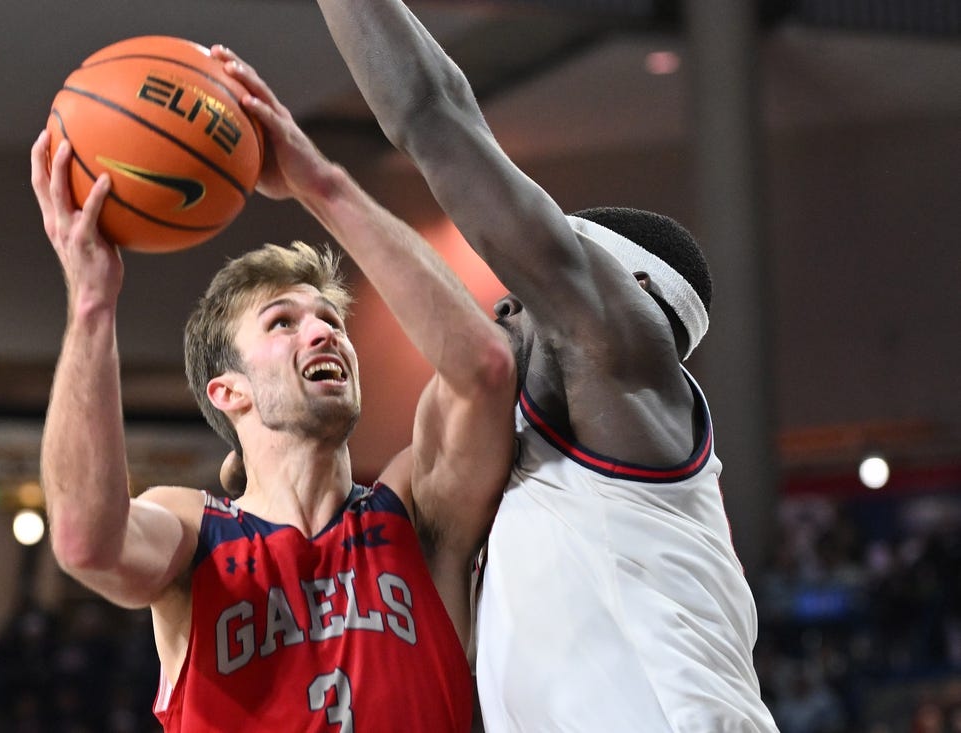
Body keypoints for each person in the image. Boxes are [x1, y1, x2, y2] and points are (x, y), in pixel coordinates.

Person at [313, 2, 780, 730]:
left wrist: (316, 180)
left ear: (631, 297)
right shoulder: (533, 473)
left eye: (527, 291)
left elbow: (433, 114)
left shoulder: (621, 358)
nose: (503, 307)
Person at [30, 45, 515, 732]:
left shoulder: (415, 508)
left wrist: (322, 184)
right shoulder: (195, 533)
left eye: (329, 319)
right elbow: (85, 542)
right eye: (283, 322)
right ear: (229, 390)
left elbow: (485, 370)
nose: (322, 333)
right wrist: (91, 306)